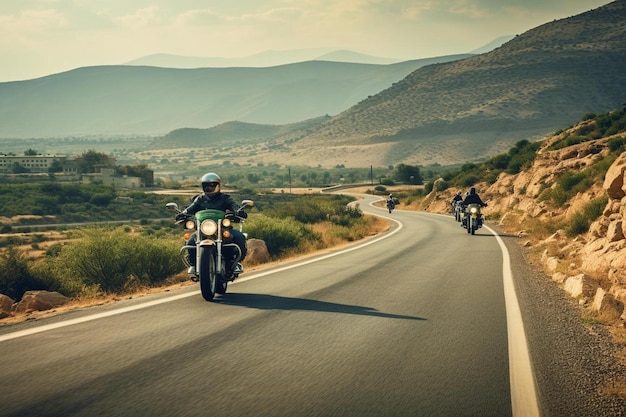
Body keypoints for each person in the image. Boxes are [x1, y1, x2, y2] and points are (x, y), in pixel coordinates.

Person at [177, 172, 247, 276]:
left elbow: (233, 205)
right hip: (203, 229)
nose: (209, 188)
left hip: (222, 229)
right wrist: (182, 214)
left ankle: (236, 263)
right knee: (190, 241)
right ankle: (194, 265)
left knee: (239, 237)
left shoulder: (225, 198)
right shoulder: (200, 199)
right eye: (206, 186)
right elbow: (190, 209)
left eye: (212, 185)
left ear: (218, 185)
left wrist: (238, 211)